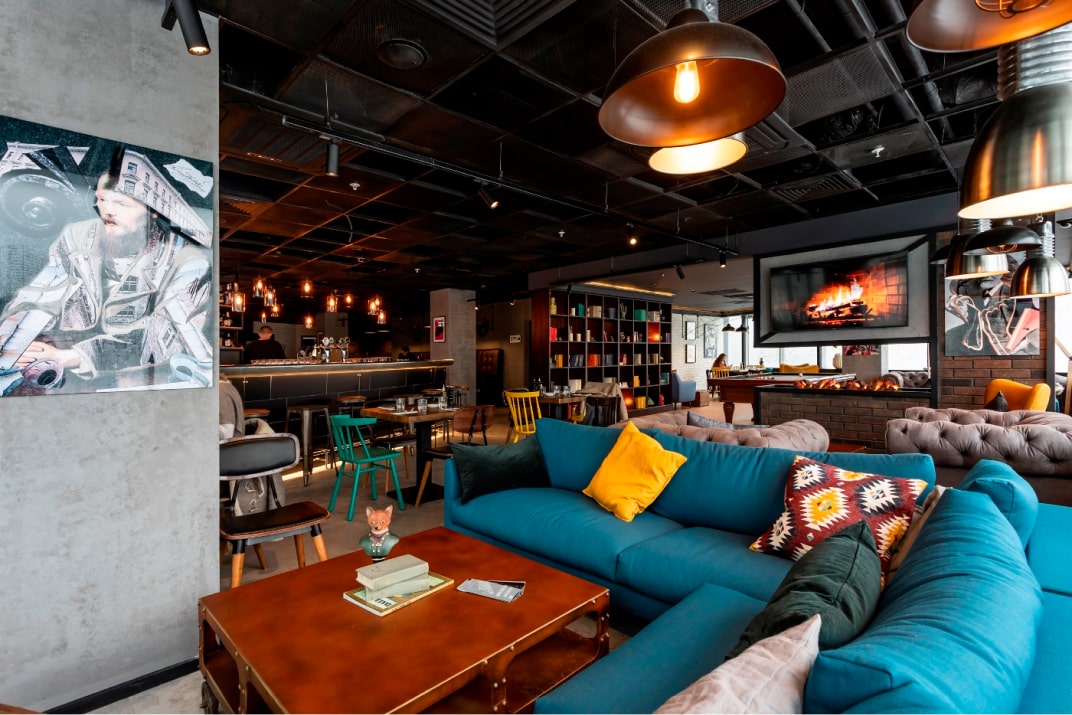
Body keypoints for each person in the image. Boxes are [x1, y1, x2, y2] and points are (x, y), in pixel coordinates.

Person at [0, 148, 212, 394]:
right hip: (64, 375)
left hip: (135, 383)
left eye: (121, 203)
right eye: (101, 200)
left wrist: (72, 356)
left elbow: (162, 338)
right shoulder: (78, 235)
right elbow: (42, 291)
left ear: (153, 211)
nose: (107, 211)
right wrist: (12, 339)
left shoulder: (187, 261)